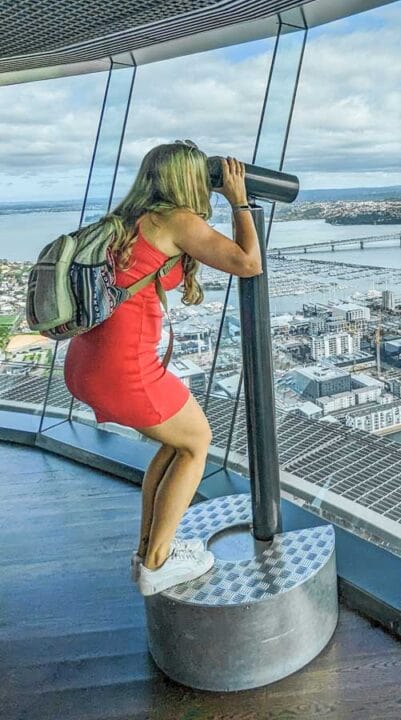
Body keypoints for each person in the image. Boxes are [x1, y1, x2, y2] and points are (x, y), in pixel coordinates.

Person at [63, 141, 262, 596]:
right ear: (186, 179)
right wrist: (239, 199)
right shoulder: (174, 219)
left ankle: (150, 548)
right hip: (125, 369)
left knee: (176, 446)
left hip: (87, 360)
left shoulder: (126, 219)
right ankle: (156, 565)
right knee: (197, 444)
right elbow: (248, 264)